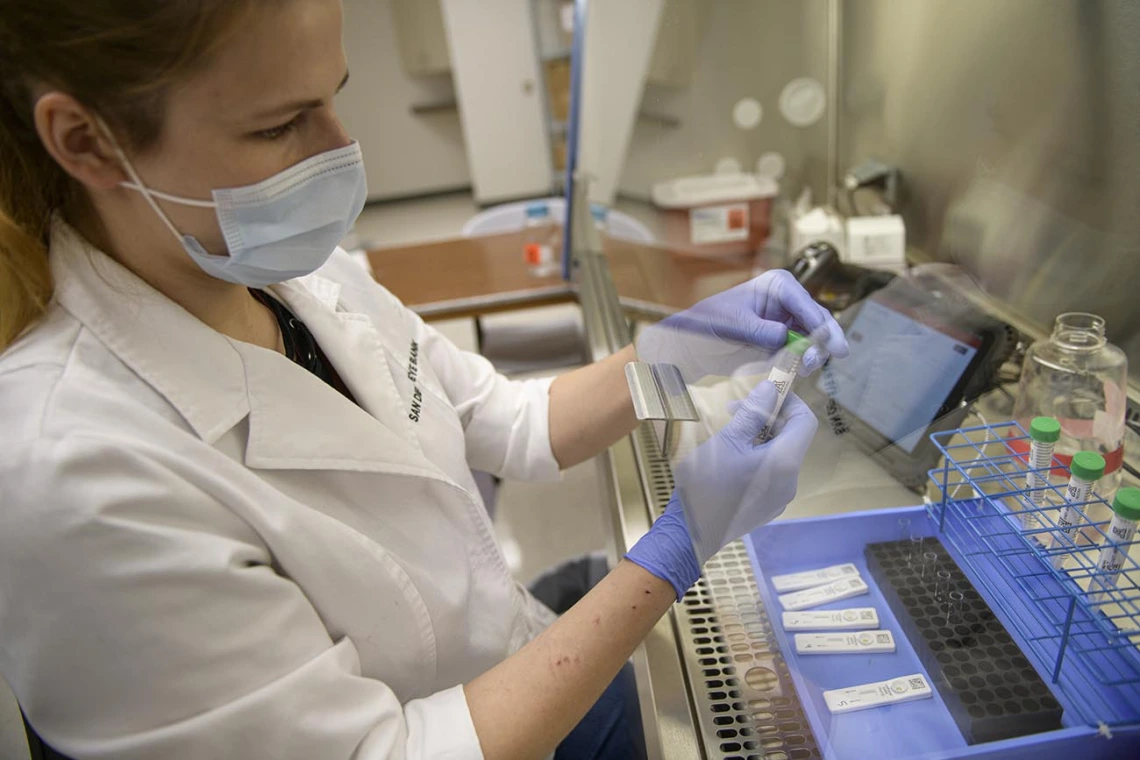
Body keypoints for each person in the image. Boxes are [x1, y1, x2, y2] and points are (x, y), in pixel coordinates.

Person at [0, 2, 848, 759]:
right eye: (280, 126)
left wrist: (679, 354)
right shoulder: (69, 476)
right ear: (85, 141)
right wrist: (677, 549)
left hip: (519, 664)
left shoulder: (295, 273)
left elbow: (509, 420)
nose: (340, 153)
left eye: (334, 93)